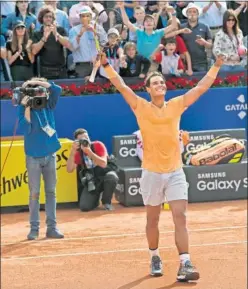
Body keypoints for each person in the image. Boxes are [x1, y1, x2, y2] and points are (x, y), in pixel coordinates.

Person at [97, 50, 224, 281]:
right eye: (155, 83)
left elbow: (201, 88)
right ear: (147, 89)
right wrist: (106, 65)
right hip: (152, 173)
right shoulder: (140, 107)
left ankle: (185, 263)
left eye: (162, 82)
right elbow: (121, 85)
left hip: (175, 171)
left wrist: (216, 65)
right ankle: (154, 255)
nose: (160, 85)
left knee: (180, 217)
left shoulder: (176, 105)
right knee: (152, 220)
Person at [18, 77, 64, 240]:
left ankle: (52, 228)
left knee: (51, 192)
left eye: (40, 91)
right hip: (33, 157)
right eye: (34, 91)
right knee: (34, 194)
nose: (38, 94)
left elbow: (57, 89)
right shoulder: (24, 106)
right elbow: (25, 127)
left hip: (50, 154)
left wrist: (37, 83)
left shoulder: (49, 105)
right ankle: (34, 229)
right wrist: (27, 105)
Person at [66, 128, 119, 212]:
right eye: (81, 140)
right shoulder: (78, 152)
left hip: (104, 175)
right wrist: (72, 152)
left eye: (86, 138)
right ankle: (95, 199)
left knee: (111, 177)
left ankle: (106, 202)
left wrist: (89, 152)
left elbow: (103, 164)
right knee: (84, 207)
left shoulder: (98, 145)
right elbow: (69, 169)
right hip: (92, 181)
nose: (85, 141)